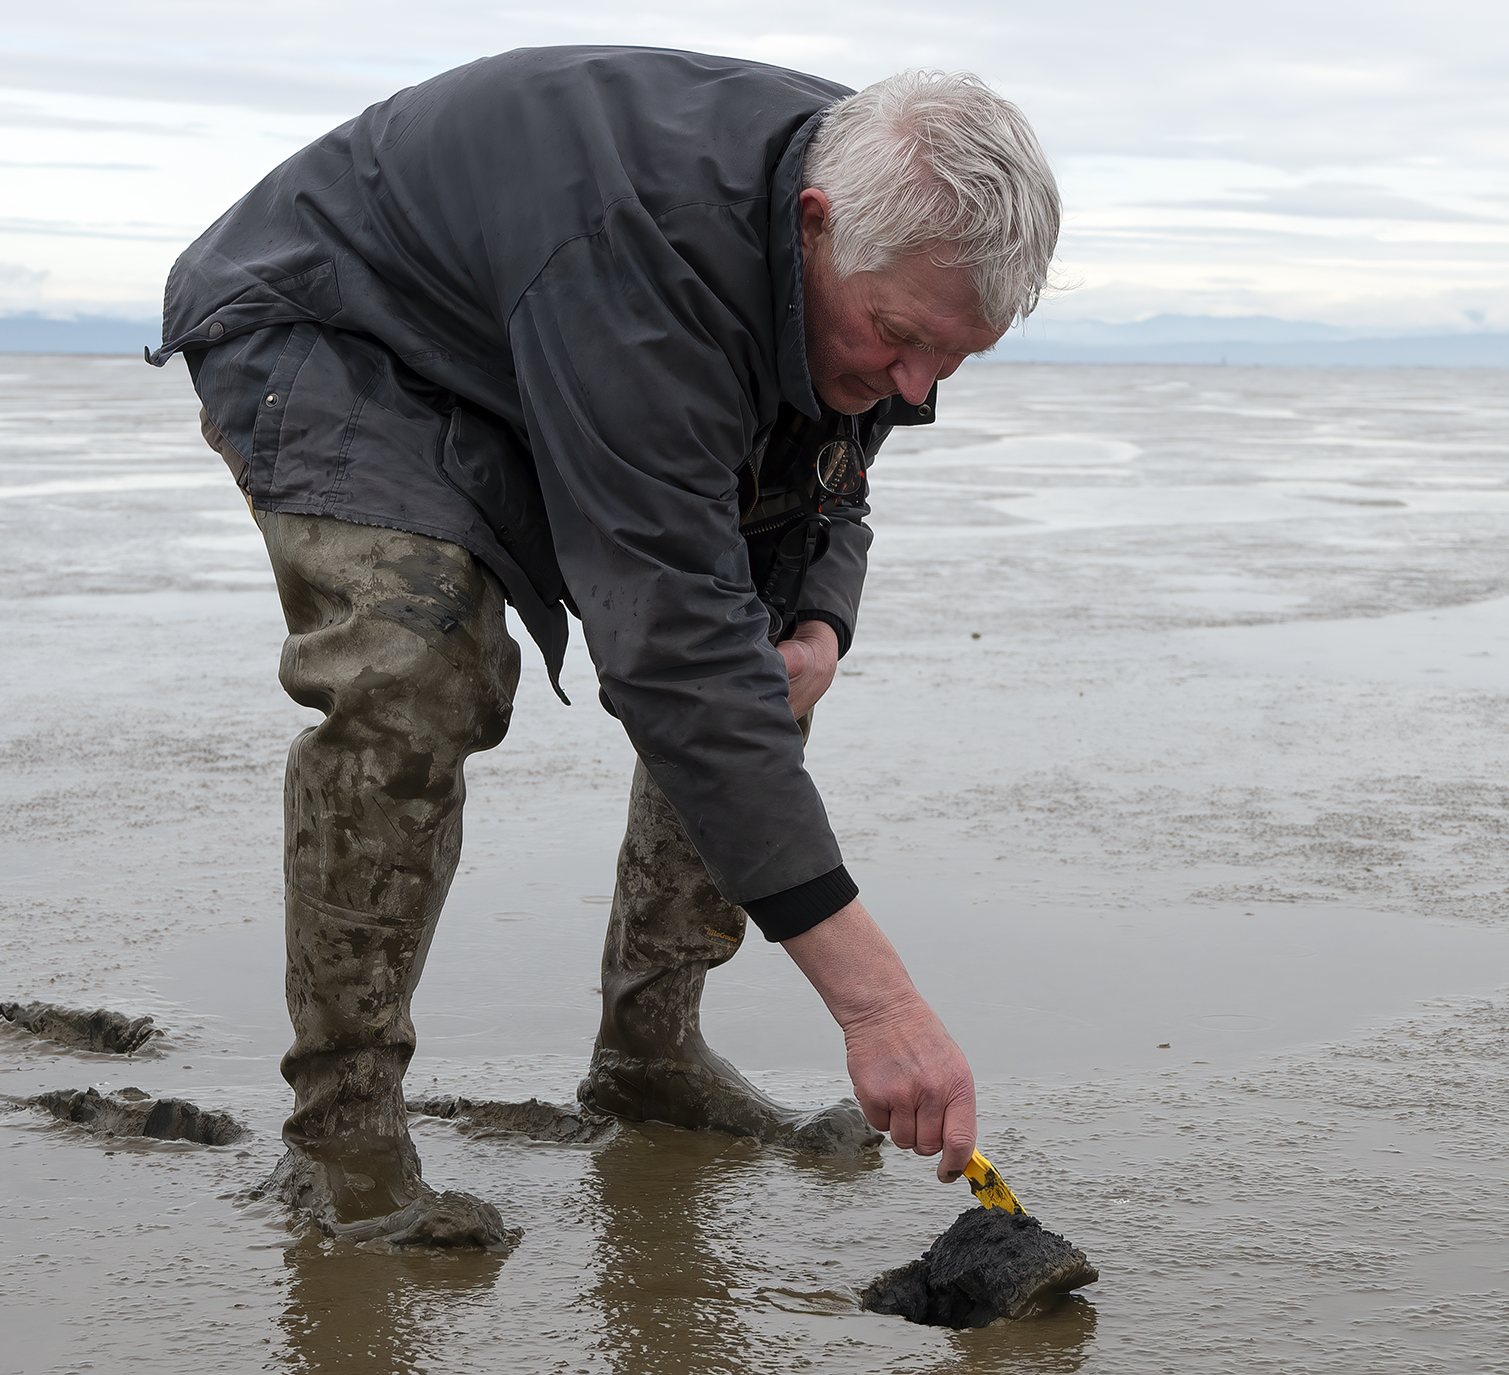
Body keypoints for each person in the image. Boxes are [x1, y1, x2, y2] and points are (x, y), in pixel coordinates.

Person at [148, 47, 1061, 1249]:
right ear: (813, 226)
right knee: (416, 667)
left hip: (549, 325)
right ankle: (342, 1132)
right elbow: (669, 646)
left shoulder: (881, 264)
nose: (913, 385)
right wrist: (875, 1001)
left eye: (952, 358)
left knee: (769, 662)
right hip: (345, 328)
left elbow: (823, 477)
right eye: (897, 339)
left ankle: (651, 1053)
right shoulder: (648, 253)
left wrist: (821, 617)